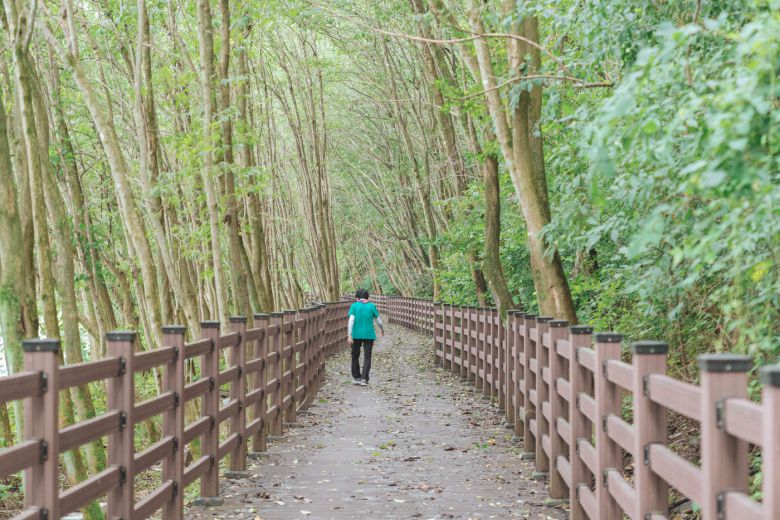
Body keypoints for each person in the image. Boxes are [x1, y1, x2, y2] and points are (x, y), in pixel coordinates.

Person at [348, 289, 384, 386]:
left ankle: (356, 377)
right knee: (367, 357)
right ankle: (364, 379)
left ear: (357, 298)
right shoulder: (372, 306)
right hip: (369, 334)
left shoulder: (354, 306)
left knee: (355, 355)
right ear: (368, 297)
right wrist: (382, 330)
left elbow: (351, 320)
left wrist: (349, 334)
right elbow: (379, 321)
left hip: (356, 334)